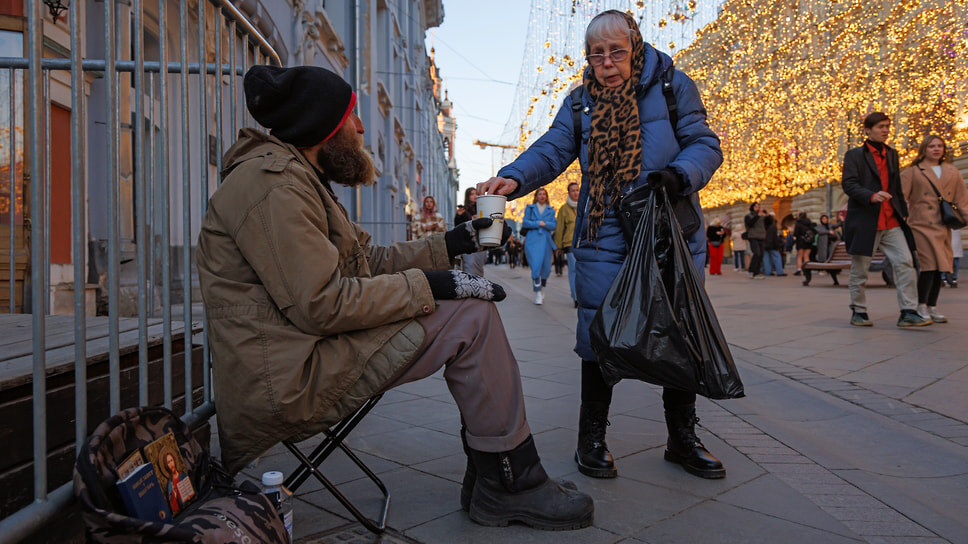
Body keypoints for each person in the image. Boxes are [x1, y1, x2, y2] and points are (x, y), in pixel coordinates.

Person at [195, 65, 594, 529]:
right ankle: (509, 480)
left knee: (470, 311)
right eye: (352, 117)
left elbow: (370, 260)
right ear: (321, 125)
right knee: (469, 316)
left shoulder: (295, 178)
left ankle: (499, 473)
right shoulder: (273, 187)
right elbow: (323, 303)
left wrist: (452, 244)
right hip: (288, 379)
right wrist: (433, 286)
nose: (362, 128)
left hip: (303, 353)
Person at [477, 10, 725, 481]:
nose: (607, 62)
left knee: (680, 331)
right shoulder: (580, 103)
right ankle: (591, 436)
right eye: (596, 54)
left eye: (616, 51)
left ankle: (682, 437)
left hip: (666, 224)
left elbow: (705, 143)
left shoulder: (674, 86)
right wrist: (512, 177)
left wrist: (679, 174)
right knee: (597, 333)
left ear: (635, 45)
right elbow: (552, 149)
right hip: (604, 229)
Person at [841, 112, 929, 327]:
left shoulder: (892, 153)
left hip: (892, 220)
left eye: (887, 126)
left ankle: (908, 311)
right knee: (860, 269)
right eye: (881, 126)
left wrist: (902, 208)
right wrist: (871, 196)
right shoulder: (854, 155)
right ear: (868, 130)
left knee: (905, 263)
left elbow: (895, 185)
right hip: (865, 220)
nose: (885, 130)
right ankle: (859, 311)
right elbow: (849, 184)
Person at [901, 134, 968, 323]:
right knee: (928, 265)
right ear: (924, 149)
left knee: (941, 266)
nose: (936, 149)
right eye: (932, 146)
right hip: (921, 224)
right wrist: (903, 220)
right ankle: (921, 305)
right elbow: (901, 198)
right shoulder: (913, 171)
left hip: (943, 225)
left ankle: (932, 306)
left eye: (940, 146)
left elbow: (962, 199)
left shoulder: (952, 171)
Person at [522, 188, 557, 305]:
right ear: (536, 196)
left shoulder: (551, 210)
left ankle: (542, 289)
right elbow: (525, 222)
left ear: (546, 197)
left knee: (546, 268)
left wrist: (545, 224)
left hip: (546, 241)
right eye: (539, 194)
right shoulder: (530, 208)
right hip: (533, 240)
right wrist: (538, 223)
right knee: (536, 267)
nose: (542, 196)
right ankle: (537, 292)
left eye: (544, 194)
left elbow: (553, 225)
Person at [553, 182, 580, 306]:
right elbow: (559, 229)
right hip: (570, 243)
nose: (576, 192)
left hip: (585, 243)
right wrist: (558, 246)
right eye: (573, 190)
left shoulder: (585, 205)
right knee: (573, 271)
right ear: (569, 193)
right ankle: (576, 298)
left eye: (577, 190)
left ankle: (584, 295)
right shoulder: (564, 209)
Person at [454, 188, 488, 277]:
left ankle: (480, 286)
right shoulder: (464, 210)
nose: (474, 196)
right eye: (472, 194)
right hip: (467, 242)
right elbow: (458, 226)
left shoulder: (482, 208)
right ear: (467, 196)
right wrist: (459, 216)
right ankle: (468, 287)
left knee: (479, 266)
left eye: (476, 194)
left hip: (480, 241)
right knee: (469, 265)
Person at [745, 203, 767, 279]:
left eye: (758, 206)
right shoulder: (749, 216)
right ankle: (751, 270)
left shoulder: (762, 217)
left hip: (762, 236)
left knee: (761, 255)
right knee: (757, 253)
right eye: (755, 206)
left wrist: (768, 215)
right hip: (753, 236)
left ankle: (757, 272)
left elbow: (769, 224)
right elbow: (750, 224)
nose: (757, 208)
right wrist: (757, 216)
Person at [762, 212, 786, 276]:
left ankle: (768, 272)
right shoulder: (773, 227)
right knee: (777, 257)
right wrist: (777, 246)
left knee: (766, 258)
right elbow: (774, 238)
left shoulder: (763, 227)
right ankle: (780, 272)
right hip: (772, 245)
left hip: (764, 244)